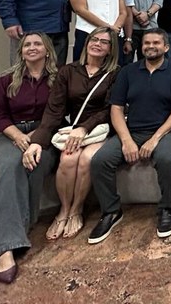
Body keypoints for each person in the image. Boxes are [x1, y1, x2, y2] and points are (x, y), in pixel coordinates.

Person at [88, 28, 171, 243]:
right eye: (146, 43)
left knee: (164, 160)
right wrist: (126, 140)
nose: (150, 47)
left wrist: (155, 139)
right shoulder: (128, 72)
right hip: (132, 130)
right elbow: (116, 108)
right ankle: (111, 211)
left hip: (166, 131)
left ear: (166, 47)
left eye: (156, 43)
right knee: (100, 160)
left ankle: (167, 208)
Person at [23, 27, 119, 241]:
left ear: (111, 49)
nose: (97, 44)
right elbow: (54, 109)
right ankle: (63, 211)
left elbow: (111, 108)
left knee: (86, 159)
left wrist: (85, 128)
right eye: (94, 39)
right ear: (86, 43)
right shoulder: (68, 71)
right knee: (67, 159)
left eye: (104, 42)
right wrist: (38, 141)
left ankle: (77, 209)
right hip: (73, 128)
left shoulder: (115, 73)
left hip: (101, 129)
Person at [0, 32, 58, 284]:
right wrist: (18, 138)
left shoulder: (59, 80)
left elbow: (57, 113)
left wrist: (36, 139)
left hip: (45, 134)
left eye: (37, 44)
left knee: (36, 164)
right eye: (27, 45)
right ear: (21, 51)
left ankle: (21, 229)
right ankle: (4, 248)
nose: (32, 48)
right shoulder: (6, 80)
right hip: (10, 134)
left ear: (47, 50)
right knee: (12, 166)